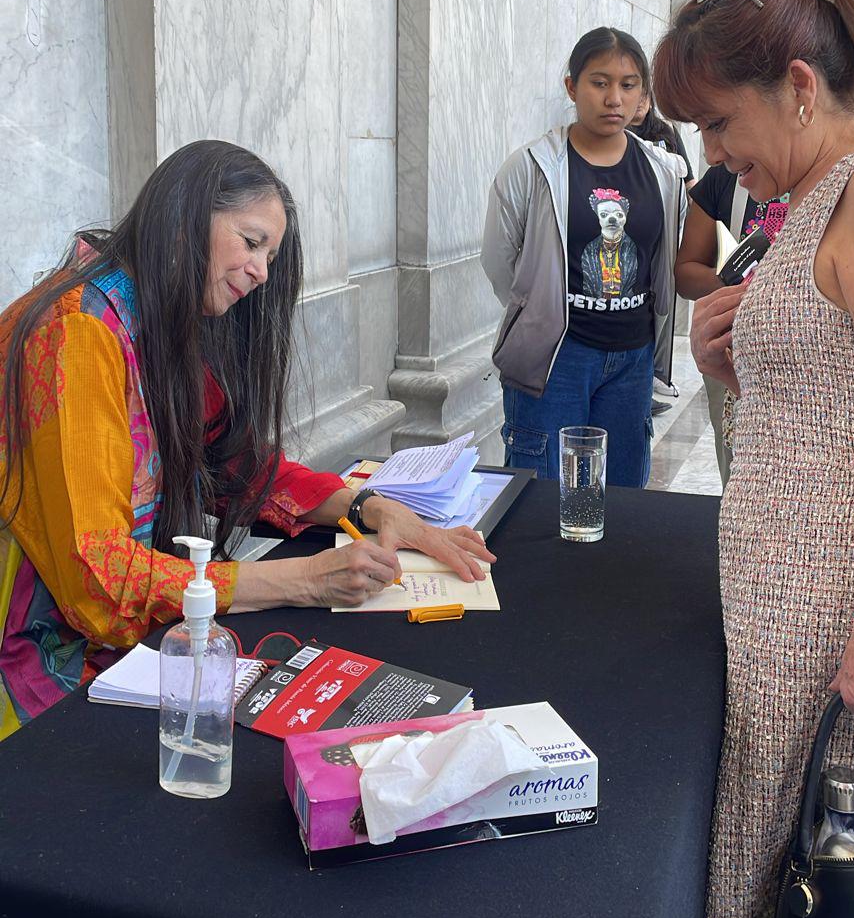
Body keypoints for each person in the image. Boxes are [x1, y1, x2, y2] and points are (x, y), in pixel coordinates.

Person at [0, 141, 492, 739]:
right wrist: (302, 580)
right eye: (252, 242)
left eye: (270, 254)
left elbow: (234, 464)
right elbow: (97, 577)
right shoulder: (77, 333)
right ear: (185, 219)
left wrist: (372, 506)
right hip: (39, 666)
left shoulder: (156, 313)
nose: (262, 272)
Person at [652, 0, 854, 918]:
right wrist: (734, 364)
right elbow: (841, 402)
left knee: (823, 909)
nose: (713, 150)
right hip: (787, 627)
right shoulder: (821, 194)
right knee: (782, 899)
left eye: (718, 121)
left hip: (837, 635)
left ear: (797, 88)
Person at [481, 27, 686, 486]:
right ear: (572, 87)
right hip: (558, 358)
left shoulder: (664, 171)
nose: (614, 98)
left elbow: (661, 264)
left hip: (632, 360)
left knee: (623, 490)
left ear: (642, 95)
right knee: (543, 489)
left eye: (628, 85)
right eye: (599, 82)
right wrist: (543, 310)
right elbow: (500, 259)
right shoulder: (533, 167)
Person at [674, 165, 789, 484]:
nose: (714, 150)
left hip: (808, 361)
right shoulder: (724, 178)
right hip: (733, 355)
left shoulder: (831, 172)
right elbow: (685, 275)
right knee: (738, 470)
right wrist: (737, 280)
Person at [630, 86, 696, 185]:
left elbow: (688, 178)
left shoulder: (667, 129)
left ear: (651, 100)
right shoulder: (617, 135)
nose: (640, 101)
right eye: (635, 95)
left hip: (669, 194)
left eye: (644, 95)